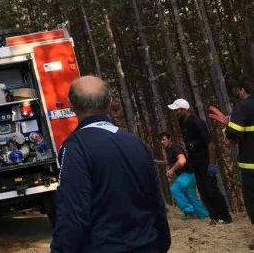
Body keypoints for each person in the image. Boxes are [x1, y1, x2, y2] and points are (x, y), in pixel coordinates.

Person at [51, 76, 170, 253]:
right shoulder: (136, 143)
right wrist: (161, 244)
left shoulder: (75, 148)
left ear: (71, 105)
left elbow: (73, 213)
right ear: (110, 101)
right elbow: (156, 203)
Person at [168, 98, 233, 224]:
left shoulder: (196, 121)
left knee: (212, 189)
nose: (175, 113)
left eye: (176, 110)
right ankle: (214, 216)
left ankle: (225, 216)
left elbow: (210, 144)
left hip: (205, 161)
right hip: (195, 163)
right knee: (203, 190)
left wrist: (211, 164)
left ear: (183, 110)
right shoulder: (183, 123)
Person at [209, 78, 254, 239]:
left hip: (251, 167)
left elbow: (232, 136)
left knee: (252, 201)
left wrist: (226, 125)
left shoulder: (243, 107)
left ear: (242, 90)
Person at [156, 132, 209, 220]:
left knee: (175, 189)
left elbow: (182, 159)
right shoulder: (169, 149)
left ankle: (189, 212)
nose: (162, 142)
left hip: (187, 175)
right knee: (191, 196)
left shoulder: (175, 148)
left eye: (164, 139)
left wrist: (172, 170)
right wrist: (157, 162)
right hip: (190, 175)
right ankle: (204, 216)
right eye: (161, 140)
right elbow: (169, 161)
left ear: (169, 139)